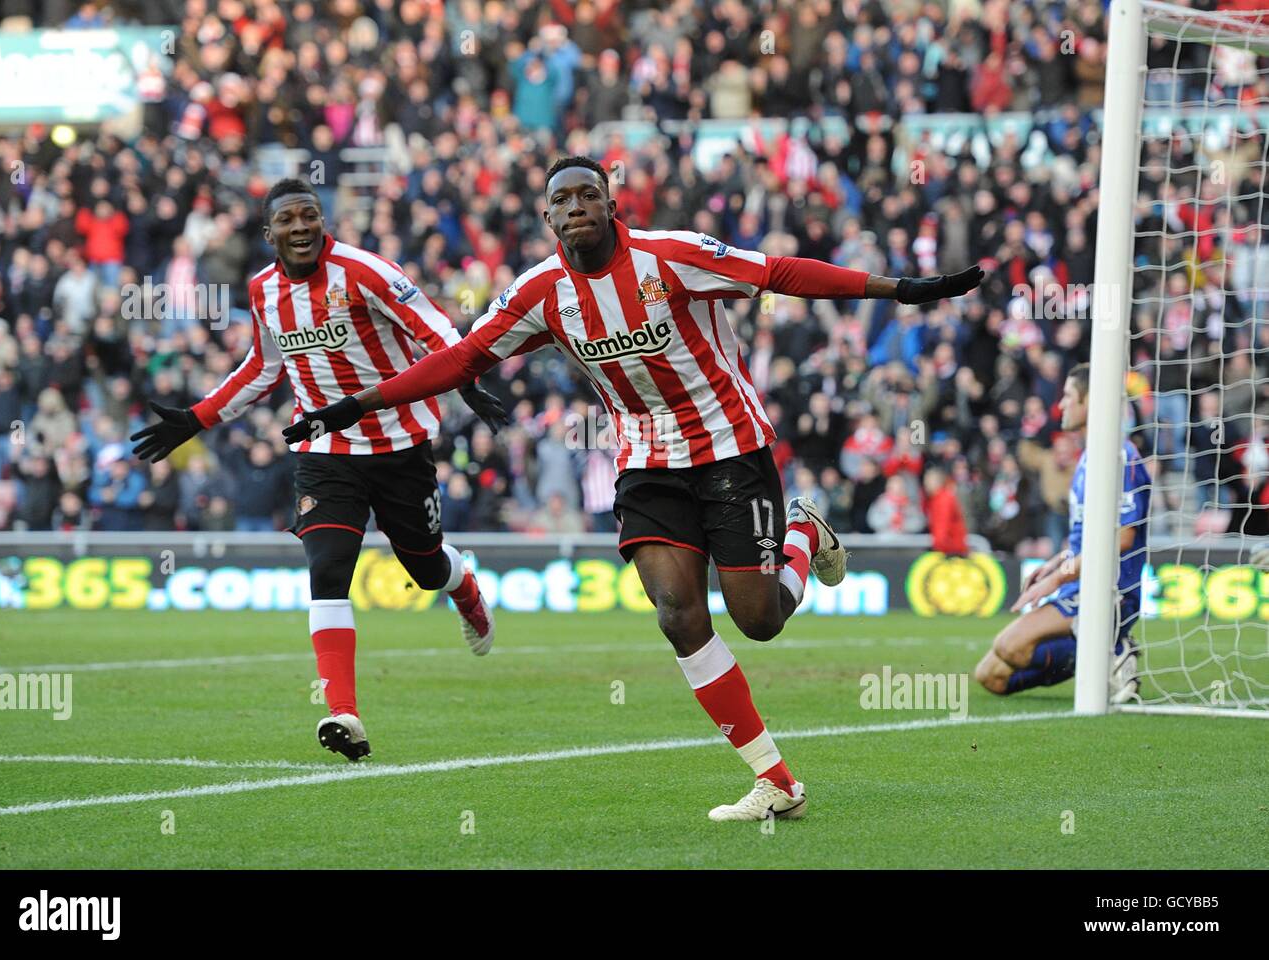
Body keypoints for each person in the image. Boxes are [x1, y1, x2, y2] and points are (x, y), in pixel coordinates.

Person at [283, 156, 985, 820]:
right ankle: (775, 782)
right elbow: (465, 355)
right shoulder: (540, 291)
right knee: (678, 614)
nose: (576, 207)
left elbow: (777, 272)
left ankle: (801, 532)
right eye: (562, 200)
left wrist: (898, 290)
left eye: (588, 194)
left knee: (760, 620)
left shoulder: (669, 255)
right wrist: (354, 405)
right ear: (548, 219)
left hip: (731, 450)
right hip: (647, 464)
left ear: (612, 206)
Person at [131, 179, 509, 762]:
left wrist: (469, 380)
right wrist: (198, 418)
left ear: (322, 221)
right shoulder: (263, 290)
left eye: (309, 215)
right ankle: (344, 713)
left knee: (426, 568)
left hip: (399, 444)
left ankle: (463, 585)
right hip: (324, 449)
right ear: (269, 234)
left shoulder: (366, 271)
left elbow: (434, 330)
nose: (301, 227)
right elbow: (264, 366)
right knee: (328, 568)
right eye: (287, 220)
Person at [974, 363, 1150, 702]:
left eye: (1069, 397)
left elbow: (1124, 538)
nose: (1061, 405)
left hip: (1110, 588)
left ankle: (1112, 647)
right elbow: (1084, 538)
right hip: (1078, 580)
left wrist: (1056, 580)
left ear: (1091, 402)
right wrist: (1056, 564)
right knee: (990, 676)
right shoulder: (1087, 459)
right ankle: (1096, 653)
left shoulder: (1121, 456)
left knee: (1008, 646)